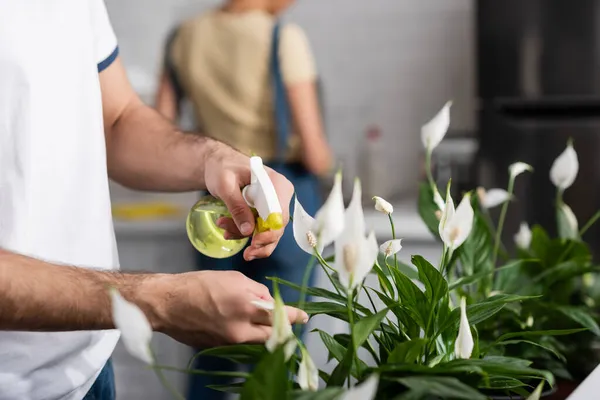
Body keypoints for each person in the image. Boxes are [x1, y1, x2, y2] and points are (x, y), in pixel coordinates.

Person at [0, 1, 309, 399]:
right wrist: (156, 301)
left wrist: (213, 158)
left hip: (88, 369)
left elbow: (117, 118)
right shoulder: (285, 39)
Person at [154, 1, 333, 397]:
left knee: (211, 338)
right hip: (279, 198)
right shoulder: (283, 36)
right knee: (281, 343)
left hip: (216, 201)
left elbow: (160, 129)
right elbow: (315, 152)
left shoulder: (182, 37)